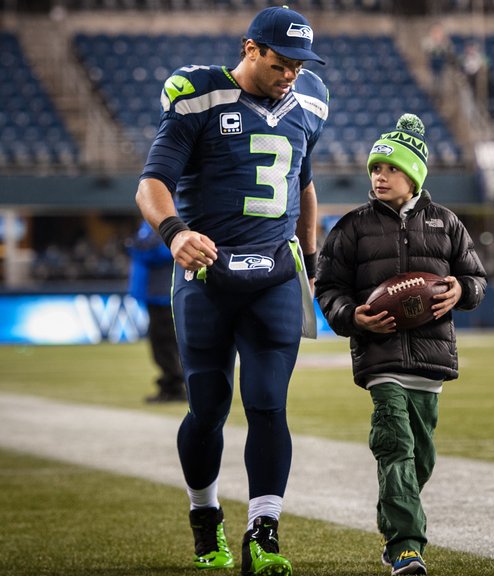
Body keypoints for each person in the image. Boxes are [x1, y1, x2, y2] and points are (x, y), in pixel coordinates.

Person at [134, 6, 328, 575]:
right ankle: (205, 514)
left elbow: (303, 181)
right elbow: (151, 184)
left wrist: (311, 258)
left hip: (273, 277)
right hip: (207, 279)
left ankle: (264, 533)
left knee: (269, 405)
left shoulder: (310, 101)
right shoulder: (200, 96)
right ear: (249, 50)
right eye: (279, 62)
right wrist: (175, 233)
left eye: (297, 64)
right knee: (208, 409)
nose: (289, 74)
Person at [315, 113, 487, 576]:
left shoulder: (447, 224)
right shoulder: (351, 227)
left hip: (430, 363)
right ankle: (408, 546)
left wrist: (461, 291)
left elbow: (475, 278)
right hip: (381, 359)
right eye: (375, 169)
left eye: (390, 168)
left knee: (420, 459)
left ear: (413, 175)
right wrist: (353, 316)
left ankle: (393, 526)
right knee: (394, 447)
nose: (380, 176)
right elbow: (327, 288)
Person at [128, 219, 185, 404]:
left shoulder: (168, 214)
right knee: (160, 343)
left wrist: (139, 247)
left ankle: (174, 386)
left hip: (161, 291)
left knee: (165, 343)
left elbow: (166, 250)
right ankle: (172, 384)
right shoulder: (151, 220)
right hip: (153, 291)